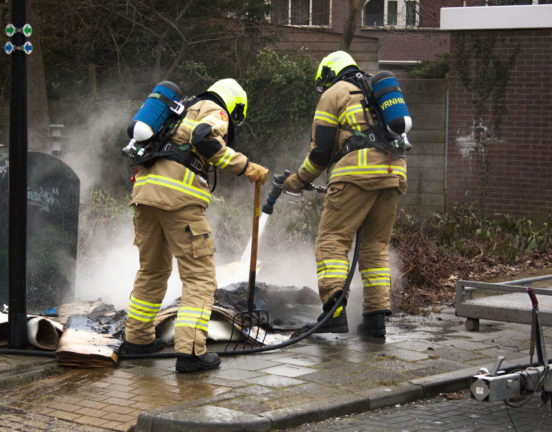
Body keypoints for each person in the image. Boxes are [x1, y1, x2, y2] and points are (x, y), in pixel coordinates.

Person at [124, 78, 269, 372]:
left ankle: (137, 340)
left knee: (152, 270)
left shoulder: (180, 110)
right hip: (179, 200)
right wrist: (246, 166)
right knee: (199, 277)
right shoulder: (215, 109)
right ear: (234, 103)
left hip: (145, 194)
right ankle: (191, 352)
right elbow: (205, 139)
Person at [284, 51, 408, 337]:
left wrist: (298, 179)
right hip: (393, 173)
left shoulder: (335, 93)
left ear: (329, 73)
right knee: (375, 246)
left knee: (331, 242)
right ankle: (375, 319)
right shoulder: (375, 92)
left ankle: (334, 314)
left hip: (355, 175)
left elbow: (321, 151)